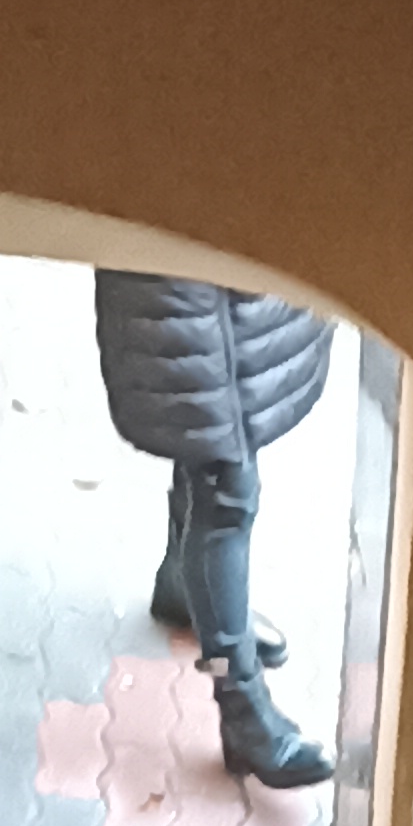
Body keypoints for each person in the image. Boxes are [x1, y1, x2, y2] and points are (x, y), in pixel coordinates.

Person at [90, 269, 338, 791]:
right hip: (184, 273)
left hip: (225, 269)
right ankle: (244, 712)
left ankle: (182, 589)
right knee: (225, 482)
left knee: (207, 442)